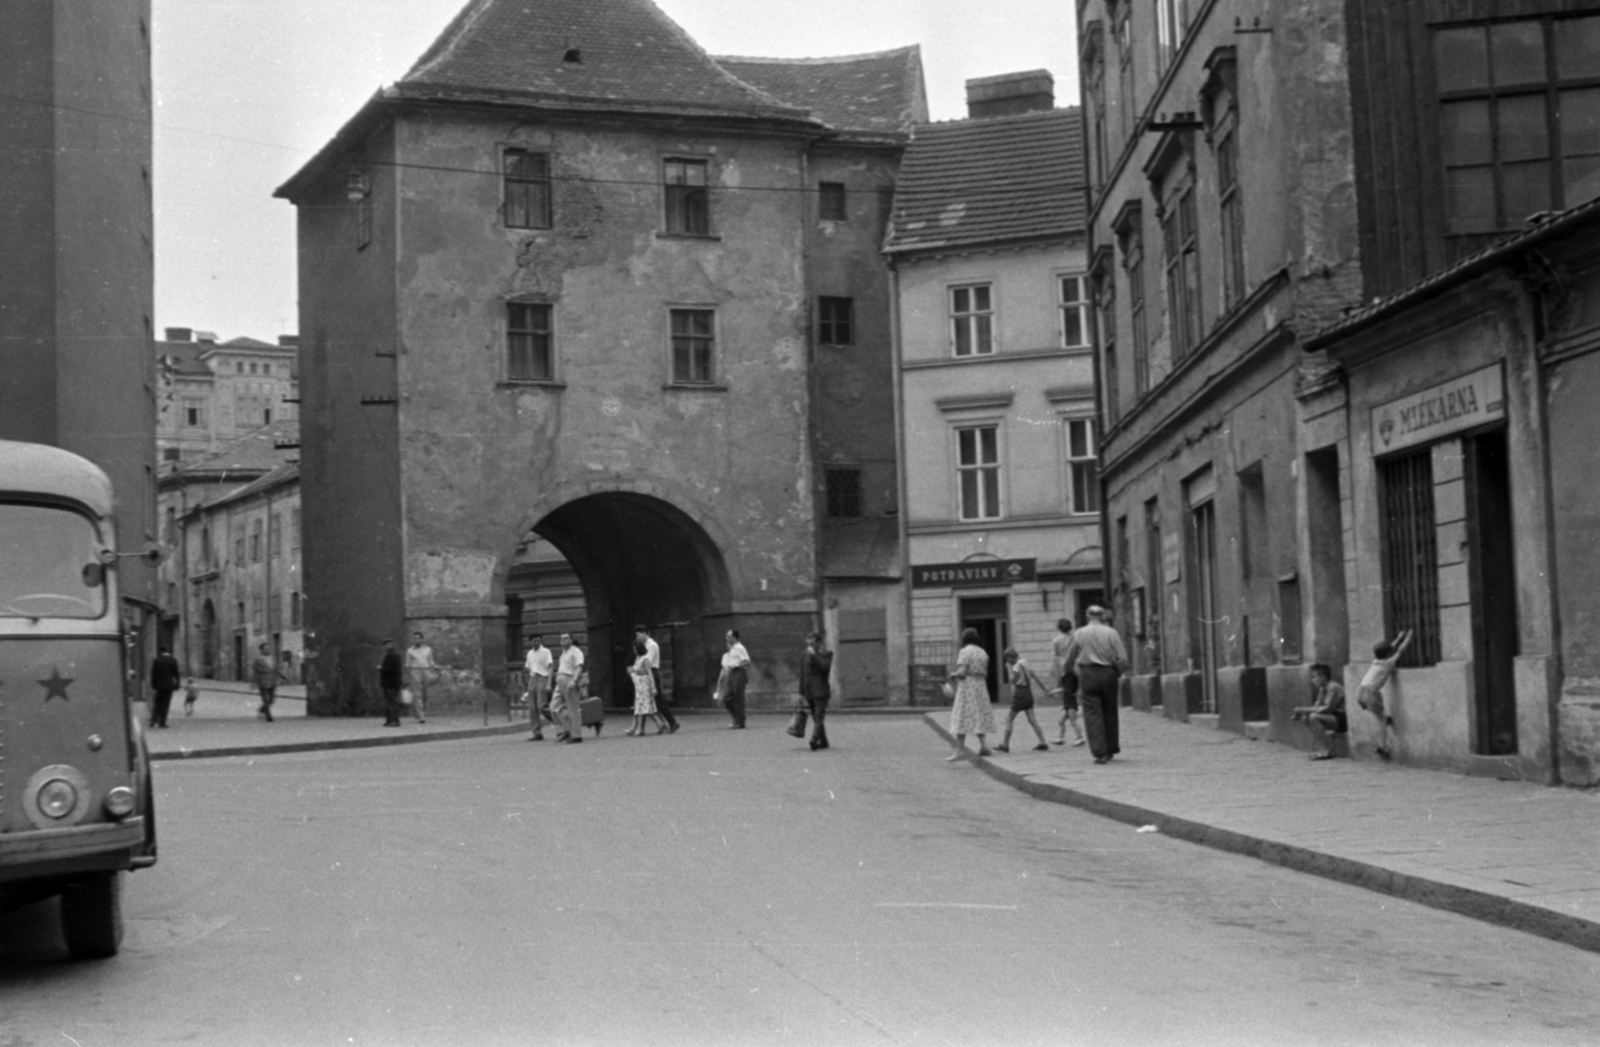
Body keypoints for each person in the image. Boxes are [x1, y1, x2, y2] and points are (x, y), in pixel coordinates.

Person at [1060, 606, 1129, 764]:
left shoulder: (1079, 633)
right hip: (1108, 673)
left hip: (1088, 674)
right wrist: (1117, 672)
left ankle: (1100, 751)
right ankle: (1111, 747)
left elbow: (1069, 659)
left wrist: (1071, 673)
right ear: (1103, 615)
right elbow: (1123, 657)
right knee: (1110, 710)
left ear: (1087, 615)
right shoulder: (1111, 632)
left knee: (1092, 713)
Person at [1356, 627, 1412, 761]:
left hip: (1360, 691)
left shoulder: (1376, 661)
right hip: (1371, 693)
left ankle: (1386, 719)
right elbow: (1399, 650)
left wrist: (1398, 638)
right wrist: (1409, 636)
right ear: (1388, 655)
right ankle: (1382, 746)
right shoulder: (1387, 663)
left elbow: (1391, 648)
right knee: (1380, 721)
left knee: (1379, 716)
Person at [945, 628, 996, 761]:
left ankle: (959, 750)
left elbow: (962, 672)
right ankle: (985, 746)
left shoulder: (964, 651)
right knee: (978, 715)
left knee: (961, 717)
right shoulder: (982, 652)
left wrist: (953, 675)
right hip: (980, 686)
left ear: (964, 639)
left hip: (968, 687)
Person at [994, 648, 1051, 753]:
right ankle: (1043, 741)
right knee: (1032, 719)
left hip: (1020, 693)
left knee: (1009, 718)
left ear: (1010, 658)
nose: (1008, 661)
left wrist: (1008, 669)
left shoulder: (1015, 667)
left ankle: (1005, 745)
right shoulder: (1025, 662)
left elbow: (1013, 681)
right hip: (1028, 692)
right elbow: (1035, 677)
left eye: (1008, 659)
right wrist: (1044, 689)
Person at [1294, 662, 1348, 760]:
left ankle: (1329, 750)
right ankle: (1324, 748)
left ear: (1323, 677)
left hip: (1341, 718)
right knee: (1306, 718)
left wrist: (1303, 709)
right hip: (1332, 717)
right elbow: (1317, 706)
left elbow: (1328, 708)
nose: (1312, 680)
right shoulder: (1322, 688)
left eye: (1314, 677)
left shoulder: (1333, 687)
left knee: (1313, 717)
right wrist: (1306, 711)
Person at [635, 625, 678, 734]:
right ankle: (661, 724)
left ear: (645, 633)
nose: (638, 637)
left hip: (652, 672)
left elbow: (647, 661)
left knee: (658, 700)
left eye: (639, 634)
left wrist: (640, 670)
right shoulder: (646, 645)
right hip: (648, 673)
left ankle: (672, 722)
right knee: (651, 701)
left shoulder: (652, 645)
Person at [1050, 617, 1085, 747]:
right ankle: (1060, 736)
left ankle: (1078, 737)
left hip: (1064, 670)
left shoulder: (1056, 641)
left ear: (1058, 628)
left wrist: (1055, 682)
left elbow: (1054, 659)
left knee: (1071, 718)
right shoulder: (1074, 639)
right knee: (1062, 718)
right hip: (1075, 669)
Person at [626, 640, 670, 736]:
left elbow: (650, 674)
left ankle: (640, 729)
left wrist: (653, 687)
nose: (634, 650)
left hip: (644, 687)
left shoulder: (645, 660)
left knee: (642, 707)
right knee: (645, 708)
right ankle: (659, 723)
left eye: (635, 648)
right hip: (639, 686)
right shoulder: (638, 658)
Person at [800, 631, 833, 751]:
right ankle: (824, 741)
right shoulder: (805, 654)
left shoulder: (827, 653)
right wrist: (800, 692)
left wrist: (814, 655)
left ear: (818, 643)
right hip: (809, 691)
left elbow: (825, 668)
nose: (809, 646)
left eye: (812, 643)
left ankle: (814, 739)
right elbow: (803, 674)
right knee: (816, 717)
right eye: (808, 643)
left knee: (819, 716)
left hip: (821, 690)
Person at [553, 632, 585, 744]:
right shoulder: (563, 653)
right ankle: (566, 729)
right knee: (554, 707)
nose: (563, 641)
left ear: (571, 640)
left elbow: (580, 667)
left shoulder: (575, 651)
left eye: (566, 638)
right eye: (561, 639)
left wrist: (574, 681)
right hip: (560, 682)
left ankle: (576, 735)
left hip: (570, 680)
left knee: (573, 709)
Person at [404, 631, 439, 724]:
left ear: (422, 639)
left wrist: (435, 668)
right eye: (415, 638)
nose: (416, 640)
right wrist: (408, 672)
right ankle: (421, 715)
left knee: (425, 694)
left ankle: (420, 712)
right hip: (415, 673)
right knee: (417, 694)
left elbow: (431, 662)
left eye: (418, 638)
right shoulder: (410, 651)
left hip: (426, 672)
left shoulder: (428, 649)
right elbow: (407, 664)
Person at [524, 634, 553, 741]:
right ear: (530, 642)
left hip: (543, 678)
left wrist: (549, 683)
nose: (536, 643)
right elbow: (528, 668)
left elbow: (550, 667)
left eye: (538, 641)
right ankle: (537, 733)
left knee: (542, 706)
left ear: (541, 641)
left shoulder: (546, 652)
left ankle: (560, 721)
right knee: (532, 708)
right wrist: (529, 684)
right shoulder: (530, 653)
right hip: (532, 679)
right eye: (534, 641)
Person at [721, 629, 750, 729]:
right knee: (726, 698)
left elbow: (746, 661)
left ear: (734, 637)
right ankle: (737, 717)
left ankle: (740, 722)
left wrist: (735, 665)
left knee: (738, 699)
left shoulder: (740, 648)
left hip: (739, 673)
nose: (726, 638)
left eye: (728, 636)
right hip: (732, 673)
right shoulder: (732, 648)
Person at [252, 642, 287, 722]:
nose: (267, 650)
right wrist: (255, 680)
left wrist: (283, 676)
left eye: (268, 648)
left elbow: (276, 669)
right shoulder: (258, 660)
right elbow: (255, 670)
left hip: (272, 681)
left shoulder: (272, 658)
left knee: (271, 699)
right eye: (265, 648)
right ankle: (268, 716)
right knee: (266, 700)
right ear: (261, 650)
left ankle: (262, 709)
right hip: (263, 681)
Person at [149, 645, 181, 729]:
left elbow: (153, 674)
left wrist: (153, 684)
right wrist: (177, 685)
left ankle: (153, 720)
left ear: (160, 652)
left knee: (157, 703)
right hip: (169, 685)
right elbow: (176, 674)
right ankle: (162, 722)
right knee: (165, 704)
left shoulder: (156, 660)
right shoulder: (173, 660)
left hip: (159, 685)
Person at [378, 638, 404, 727]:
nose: (385, 647)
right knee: (391, 702)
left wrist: (380, 669)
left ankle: (393, 721)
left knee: (391, 702)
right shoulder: (396, 655)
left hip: (390, 683)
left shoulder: (390, 656)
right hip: (394, 683)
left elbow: (389, 669)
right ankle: (391, 720)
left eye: (386, 645)